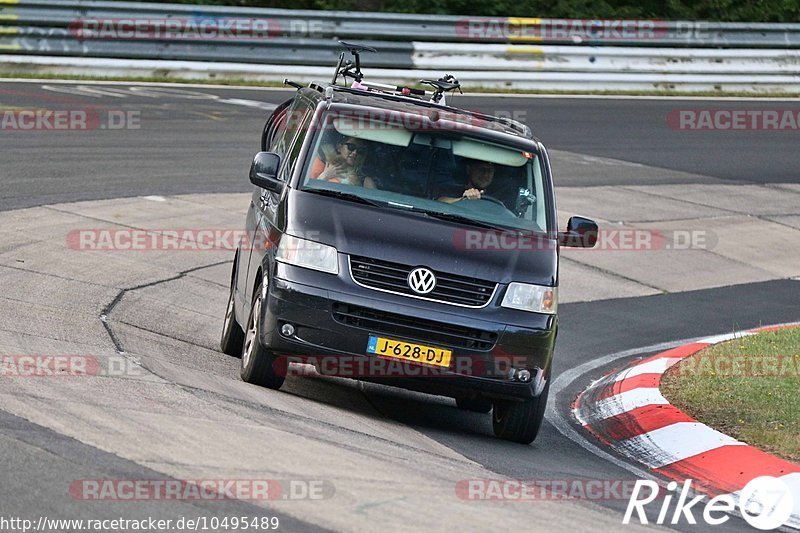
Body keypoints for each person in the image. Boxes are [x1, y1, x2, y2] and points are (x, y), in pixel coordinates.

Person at [436, 159, 513, 207]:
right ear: (469, 169)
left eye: (489, 170)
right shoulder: (452, 188)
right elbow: (438, 203)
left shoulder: (501, 197)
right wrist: (463, 200)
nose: (485, 175)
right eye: (481, 169)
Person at [310, 137, 376, 188]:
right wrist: (325, 175)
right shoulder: (321, 165)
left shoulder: (365, 181)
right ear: (339, 147)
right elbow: (309, 193)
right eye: (351, 147)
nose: (355, 152)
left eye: (360, 151)